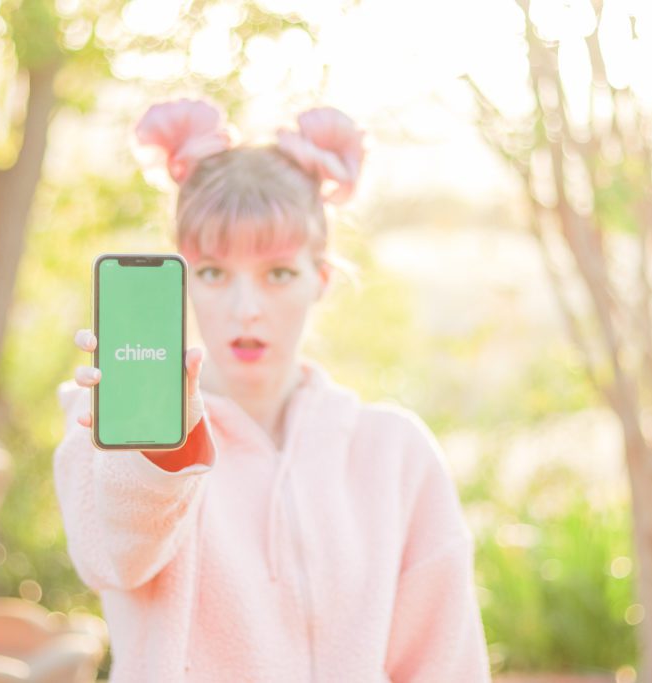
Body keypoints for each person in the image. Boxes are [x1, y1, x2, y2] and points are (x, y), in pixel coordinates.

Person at [53, 98, 491, 682]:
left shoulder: (395, 454)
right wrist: (159, 450)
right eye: (213, 272)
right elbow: (113, 555)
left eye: (278, 273)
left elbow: (446, 664)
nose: (246, 309)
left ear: (322, 279)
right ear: (182, 275)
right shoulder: (115, 425)